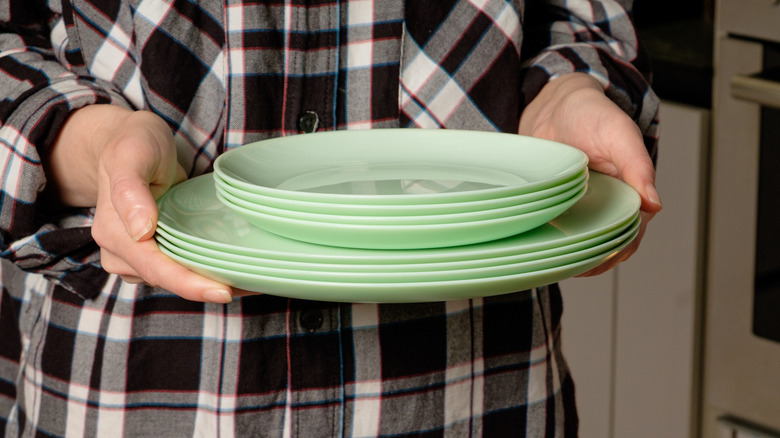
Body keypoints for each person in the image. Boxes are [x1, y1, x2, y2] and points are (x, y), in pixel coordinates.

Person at [0, 0, 661, 436]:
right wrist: (95, 146)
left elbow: (582, 18)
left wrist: (569, 91)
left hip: (477, 397)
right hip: (134, 393)